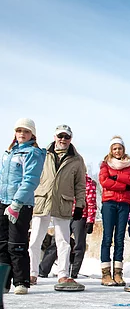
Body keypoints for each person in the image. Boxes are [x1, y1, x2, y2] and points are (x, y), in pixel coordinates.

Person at [28, 124, 86, 291]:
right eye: (60, 136)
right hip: (42, 200)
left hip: (63, 202)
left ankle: (63, 274)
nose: (63, 139)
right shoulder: (42, 154)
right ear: (54, 137)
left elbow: (80, 185)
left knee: (64, 241)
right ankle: (32, 273)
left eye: (66, 137)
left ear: (70, 139)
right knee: (35, 240)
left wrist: (79, 205)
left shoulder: (77, 159)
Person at [0, 119, 45, 295]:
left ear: (32, 134)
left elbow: (30, 180)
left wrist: (17, 203)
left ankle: (21, 281)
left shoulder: (32, 153)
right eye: (19, 131)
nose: (22, 134)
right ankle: (3, 281)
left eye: (26, 131)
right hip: (3, 201)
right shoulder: (10, 152)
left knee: (16, 243)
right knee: (2, 244)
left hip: (20, 203)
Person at [99, 136, 130, 286]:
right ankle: (106, 273)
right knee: (107, 237)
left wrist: (117, 176)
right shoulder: (105, 164)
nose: (117, 151)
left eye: (120, 148)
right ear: (111, 150)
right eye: (115, 148)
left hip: (124, 204)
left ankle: (118, 272)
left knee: (119, 238)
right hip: (109, 203)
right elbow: (104, 181)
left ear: (124, 149)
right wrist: (124, 185)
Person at [38, 173, 97, 278]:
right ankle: (43, 270)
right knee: (57, 242)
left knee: (79, 245)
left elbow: (91, 203)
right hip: (65, 214)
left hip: (80, 216)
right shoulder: (66, 181)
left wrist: (90, 220)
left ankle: (73, 272)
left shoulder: (88, 183)